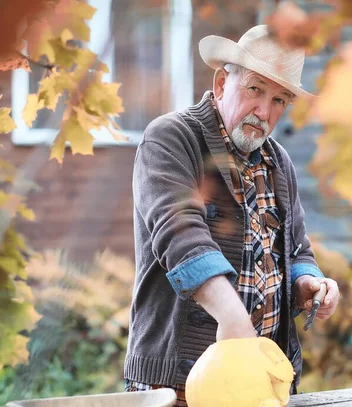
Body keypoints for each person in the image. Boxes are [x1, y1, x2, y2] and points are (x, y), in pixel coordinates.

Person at [123, 25, 340, 406]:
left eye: (279, 100)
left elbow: (297, 250)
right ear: (223, 83)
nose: (264, 111)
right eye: (255, 89)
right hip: (177, 387)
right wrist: (233, 317)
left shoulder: (279, 162)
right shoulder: (171, 139)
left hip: (263, 387)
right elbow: (181, 238)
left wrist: (307, 281)